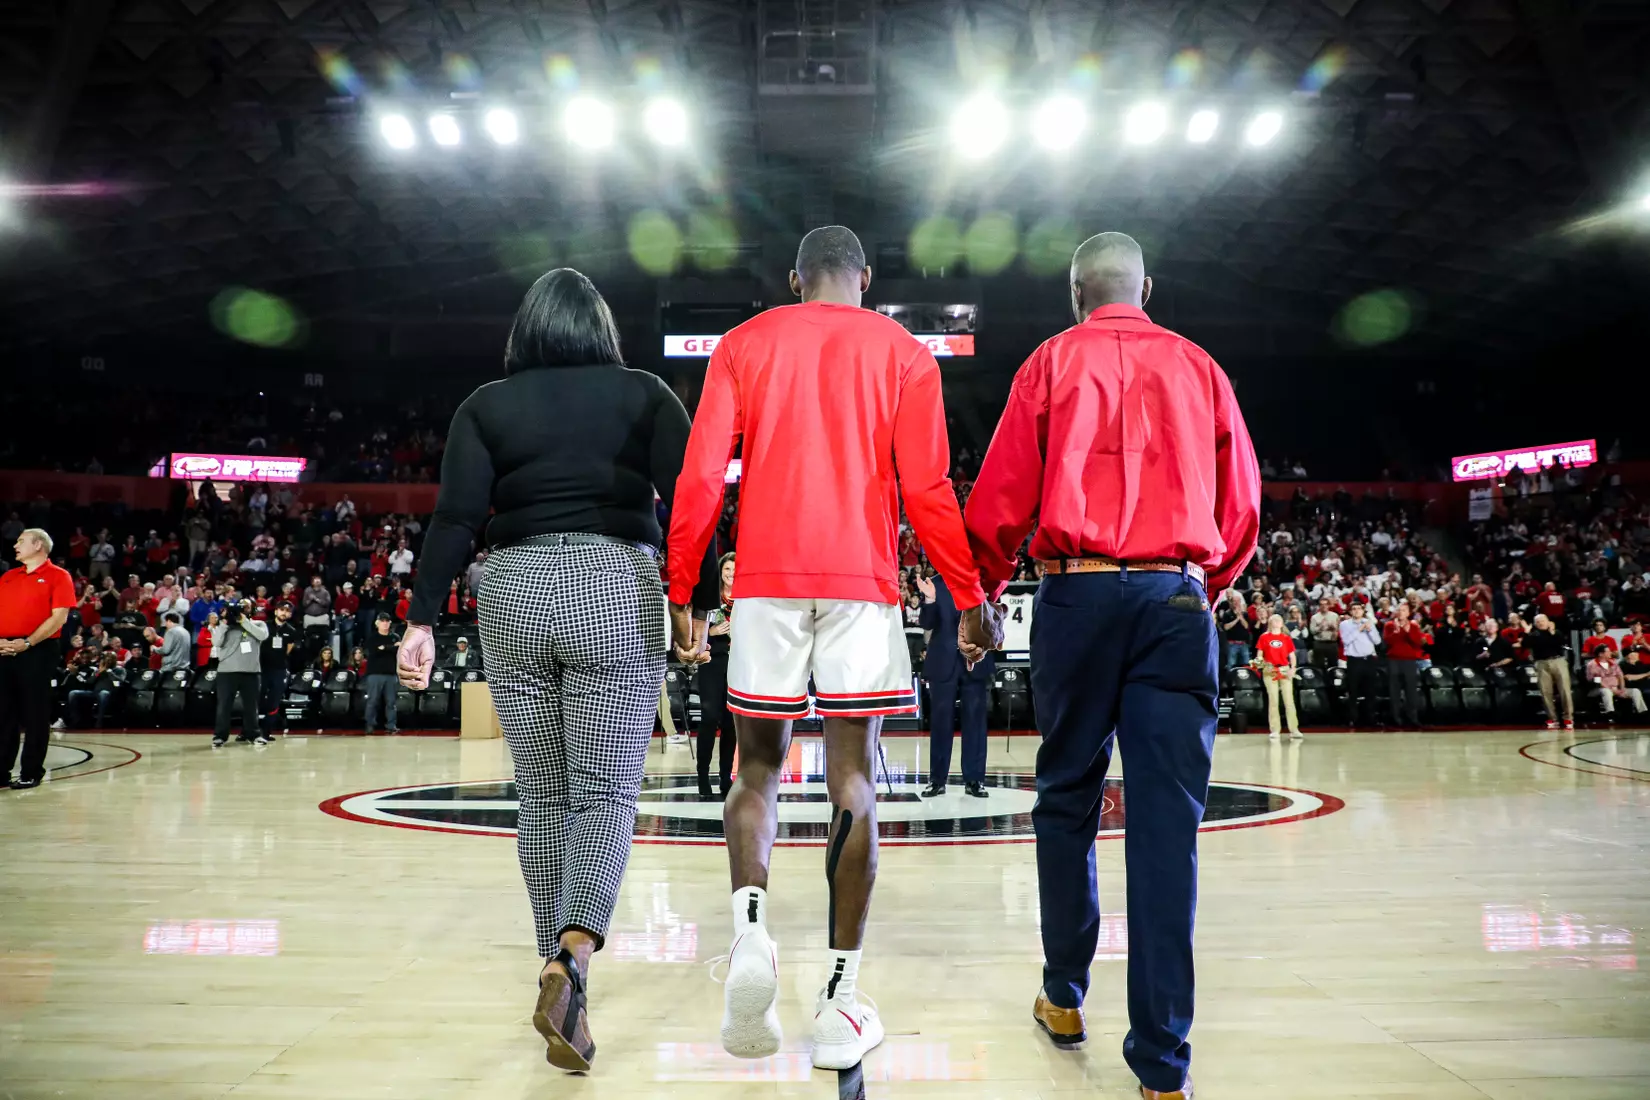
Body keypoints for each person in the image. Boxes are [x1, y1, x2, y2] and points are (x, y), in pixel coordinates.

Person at [666, 227, 993, 1070]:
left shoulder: (743, 344)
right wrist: (968, 593)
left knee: (755, 772)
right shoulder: (903, 352)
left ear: (793, 279)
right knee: (852, 777)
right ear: (867, 280)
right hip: (860, 582)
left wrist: (684, 590)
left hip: (767, 580)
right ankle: (841, 994)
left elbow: (702, 476)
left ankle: (748, 933)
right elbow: (925, 488)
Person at [963, 231, 1260, 1100]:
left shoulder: (1049, 364)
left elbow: (1002, 497)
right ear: (1147, 288)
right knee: (1168, 826)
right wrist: (1205, 584)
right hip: (1175, 595)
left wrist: (978, 597)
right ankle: (1164, 1067)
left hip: (1075, 597)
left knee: (1066, 798)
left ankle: (1063, 995)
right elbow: (1239, 505)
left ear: (1074, 294)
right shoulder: (1202, 368)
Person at [395, 266, 704, 1073]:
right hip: (615, 581)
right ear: (599, 327)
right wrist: (691, 601)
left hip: (514, 589)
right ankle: (572, 956)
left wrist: (421, 620)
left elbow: (458, 517)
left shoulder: (484, 405)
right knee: (603, 793)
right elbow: (690, 499)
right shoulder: (647, 393)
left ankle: (557, 970)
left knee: (542, 796)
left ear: (525, 331)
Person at [0, 529, 77, 788]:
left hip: (38, 649)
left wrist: (28, 642)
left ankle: (31, 771)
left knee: (34, 713)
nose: (15, 545)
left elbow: (59, 617)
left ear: (38, 545)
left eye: (21, 540)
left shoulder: (59, 576)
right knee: (3, 713)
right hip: (4, 649)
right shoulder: (8, 577)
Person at [917, 570, 994, 796]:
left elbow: (992, 616)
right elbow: (927, 623)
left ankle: (975, 780)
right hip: (944, 661)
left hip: (975, 658)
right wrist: (930, 600)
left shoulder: (983, 580)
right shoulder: (935, 583)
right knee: (941, 722)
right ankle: (937, 780)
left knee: (976, 722)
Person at [695, 553, 738, 800]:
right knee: (710, 717)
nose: (731, 573)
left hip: (738, 663)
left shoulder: (746, 600)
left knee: (731, 722)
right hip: (713, 660)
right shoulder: (711, 599)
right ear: (721, 571)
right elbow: (694, 629)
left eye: (735, 569)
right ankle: (702, 776)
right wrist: (710, 631)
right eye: (727, 569)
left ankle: (725, 776)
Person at [211, 599, 270, 746]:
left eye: (246, 607)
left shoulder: (258, 624)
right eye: (240, 607)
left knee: (251, 706)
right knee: (224, 705)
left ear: (252, 609)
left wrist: (244, 621)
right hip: (227, 671)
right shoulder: (225, 626)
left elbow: (262, 636)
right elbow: (216, 642)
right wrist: (224, 623)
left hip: (251, 671)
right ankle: (220, 736)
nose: (242, 609)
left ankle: (254, 735)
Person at [1382, 603, 1430, 730]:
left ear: (1408, 613)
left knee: (1411, 691)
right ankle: (1396, 719)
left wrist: (1408, 631)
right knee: (1394, 691)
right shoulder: (1389, 625)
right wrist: (1396, 632)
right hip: (1393, 661)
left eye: (1404, 610)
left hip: (1409, 661)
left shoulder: (1413, 626)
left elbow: (1417, 643)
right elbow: (1387, 642)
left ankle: (1412, 718)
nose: (1401, 612)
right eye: (1399, 610)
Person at [1254, 613, 1302, 739]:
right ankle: (1275, 729)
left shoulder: (1286, 638)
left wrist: (1293, 668)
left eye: (1279, 620)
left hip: (1284, 669)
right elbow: (1259, 654)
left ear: (1282, 623)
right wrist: (1261, 664)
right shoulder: (1264, 637)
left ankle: (1294, 729)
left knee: (1289, 700)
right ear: (1270, 623)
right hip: (1270, 669)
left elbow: (1292, 656)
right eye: (1274, 620)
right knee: (1273, 700)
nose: (1276, 622)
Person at [1338, 601, 1382, 727]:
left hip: (1368, 660)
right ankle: (1353, 718)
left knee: (1370, 691)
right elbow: (1346, 640)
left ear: (1363, 611)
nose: (1357, 611)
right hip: (1354, 661)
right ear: (1350, 611)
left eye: (1359, 609)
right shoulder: (1345, 624)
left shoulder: (1369, 623)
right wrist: (1359, 629)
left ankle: (1371, 718)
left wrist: (1370, 630)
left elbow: (1377, 641)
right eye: (1354, 609)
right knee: (1353, 691)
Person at [1527, 613, 1573, 731]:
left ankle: (1568, 717)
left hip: (1558, 661)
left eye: (1542, 620)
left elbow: (1561, 642)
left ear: (1548, 621)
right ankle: (1552, 718)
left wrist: (1552, 632)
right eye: (1537, 621)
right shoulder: (1533, 635)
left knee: (1564, 690)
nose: (1540, 623)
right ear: (1535, 624)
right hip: (1541, 663)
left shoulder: (1556, 632)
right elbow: (1525, 644)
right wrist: (1526, 632)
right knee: (1545, 691)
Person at [261, 601, 298, 739]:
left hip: (279, 669)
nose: (284, 612)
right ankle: (248, 730)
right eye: (281, 609)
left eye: (287, 611)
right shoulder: (265, 626)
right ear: (276, 611)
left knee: (274, 701)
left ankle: (266, 732)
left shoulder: (291, 631)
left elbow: (288, 650)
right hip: (263, 668)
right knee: (256, 699)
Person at [362, 613, 400, 735]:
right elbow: (374, 651)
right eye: (382, 621)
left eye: (387, 621)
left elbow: (399, 650)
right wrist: (391, 648)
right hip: (375, 674)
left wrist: (385, 648)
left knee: (391, 702)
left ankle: (391, 725)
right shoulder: (372, 638)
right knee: (373, 700)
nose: (385, 623)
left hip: (391, 674)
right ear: (377, 623)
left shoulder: (395, 637)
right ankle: (370, 724)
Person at [1586, 649, 1647, 717]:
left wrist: (1622, 689)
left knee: (1635, 691)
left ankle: (1642, 712)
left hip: (1616, 688)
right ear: (1601, 654)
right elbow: (1597, 681)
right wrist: (1612, 689)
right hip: (1598, 689)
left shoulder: (1613, 664)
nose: (1611, 652)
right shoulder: (1593, 664)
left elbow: (1620, 677)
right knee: (1606, 691)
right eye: (1608, 651)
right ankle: (1610, 713)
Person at [1216, 591, 1252, 669]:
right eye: (1234, 601)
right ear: (1231, 603)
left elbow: (1246, 626)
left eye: (1238, 601)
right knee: (1231, 664)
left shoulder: (1245, 614)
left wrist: (1241, 617)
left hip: (1244, 643)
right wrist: (1236, 619)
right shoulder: (1227, 614)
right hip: (1232, 644)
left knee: (1246, 663)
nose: (1236, 603)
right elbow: (1225, 627)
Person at [1308, 597, 1340, 668]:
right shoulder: (1314, 617)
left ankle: (1333, 678)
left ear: (1328, 605)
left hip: (1332, 643)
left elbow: (1338, 629)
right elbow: (1312, 631)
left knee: (1333, 664)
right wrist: (1320, 627)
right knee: (1319, 665)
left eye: (1325, 604)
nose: (1324, 606)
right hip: (1319, 643)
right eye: (1321, 604)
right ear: (1319, 606)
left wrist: (1333, 628)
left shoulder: (1334, 616)